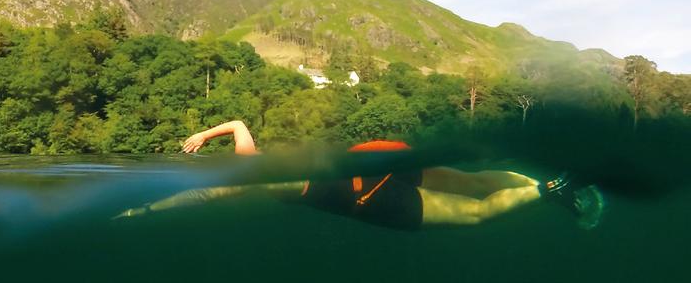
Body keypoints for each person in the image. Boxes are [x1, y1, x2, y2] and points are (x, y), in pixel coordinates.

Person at [116, 120, 605, 230]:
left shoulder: (246, 178)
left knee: (475, 215)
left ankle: (548, 190)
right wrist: (206, 134)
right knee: (472, 183)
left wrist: (145, 207)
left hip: (371, 199)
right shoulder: (254, 159)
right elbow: (239, 125)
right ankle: (538, 181)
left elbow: (199, 198)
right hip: (372, 160)